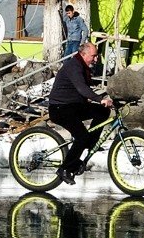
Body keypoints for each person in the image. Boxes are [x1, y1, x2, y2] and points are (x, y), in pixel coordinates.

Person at [48, 41, 114, 185]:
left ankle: (90, 143)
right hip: (60, 109)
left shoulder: (83, 67)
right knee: (82, 136)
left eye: (97, 56)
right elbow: (82, 88)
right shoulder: (73, 66)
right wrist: (99, 99)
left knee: (102, 112)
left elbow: (84, 90)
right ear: (83, 54)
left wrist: (105, 100)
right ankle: (65, 169)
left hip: (73, 106)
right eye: (94, 56)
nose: (96, 59)